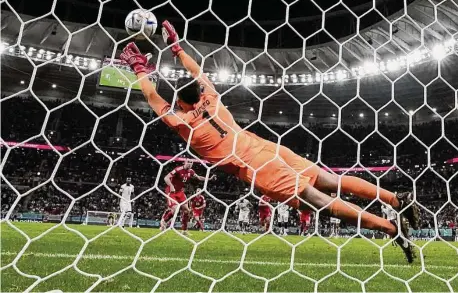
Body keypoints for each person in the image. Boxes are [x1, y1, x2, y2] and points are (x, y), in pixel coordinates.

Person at [119, 20, 420, 262]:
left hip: (257, 167)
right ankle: (397, 200)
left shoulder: (183, 122)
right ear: (199, 93)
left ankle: (391, 229)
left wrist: (139, 68)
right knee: (331, 181)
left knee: (322, 204)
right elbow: (197, 71)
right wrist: (176, 47)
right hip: (268, 147)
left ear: (181, 104)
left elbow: (153, 97)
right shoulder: (210, 97)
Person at [160, 160, 213, 235]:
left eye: (191, 162)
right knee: (175, 209)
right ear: (184, 162)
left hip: (180, 192)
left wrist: (209, 179)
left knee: (187, 211)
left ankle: (184, 230)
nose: (190, 163)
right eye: (188, 162)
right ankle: (164, 221)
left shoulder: (191, 171)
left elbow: (198, 177)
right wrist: (171, 186)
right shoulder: (178, 169)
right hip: (171, 192)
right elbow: (166, 178)